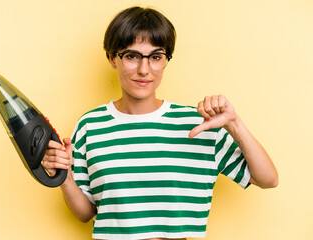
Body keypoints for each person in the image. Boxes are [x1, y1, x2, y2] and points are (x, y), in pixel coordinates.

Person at [42, 6, 278, 240]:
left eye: (155, 57)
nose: (144, 70)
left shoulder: (200, 124)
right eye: (132, 56)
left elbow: (268, 180)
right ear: (112, 58)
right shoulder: (90, 126)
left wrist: (234, 124)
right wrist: (66, 178)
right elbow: (86, 214)